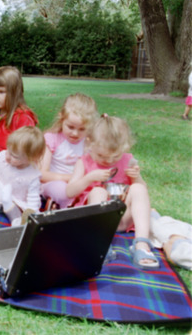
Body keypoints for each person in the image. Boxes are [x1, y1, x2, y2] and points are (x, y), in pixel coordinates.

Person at [66, 115, 159, 270]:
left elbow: (143, 193)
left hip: (122, 219)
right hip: (95, 222)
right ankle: (100, 244)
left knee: (139, 188)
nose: (108, 161)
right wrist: (89, 178)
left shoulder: (128, 160)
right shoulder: (84, 162)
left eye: (115, 156)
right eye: (102, 156)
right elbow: (69, 192)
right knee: (97, 191)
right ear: (90, 143)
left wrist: (136, 179)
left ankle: (141, 244)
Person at [40, 93, 98, 209]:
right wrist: (71, 179)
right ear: (61, 119)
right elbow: (42, 174)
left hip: (80, 185)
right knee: (62, 190)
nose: (75, 133)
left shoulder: (89, 143)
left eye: (82, 129)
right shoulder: (52, 139)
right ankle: (60, 206)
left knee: (96, 191)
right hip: (54, 183)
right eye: (70, 127)